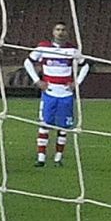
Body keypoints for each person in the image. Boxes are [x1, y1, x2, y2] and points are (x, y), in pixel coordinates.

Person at [24, 23, 89, 168]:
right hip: (49, 92)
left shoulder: (72, 50)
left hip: (66, 93)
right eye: (58, 30)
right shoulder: (43, 47)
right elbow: (27, 62)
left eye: (63, 30)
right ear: (53, 32)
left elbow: (85, 65)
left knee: (63, 127)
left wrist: (76, 82)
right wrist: (37, 81)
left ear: (67, 33)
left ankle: (58, 158)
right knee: (44, 124)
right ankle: (41, 158)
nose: (60, 32)